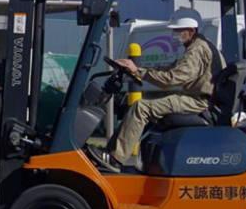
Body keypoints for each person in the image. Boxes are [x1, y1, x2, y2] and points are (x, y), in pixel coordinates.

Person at [89, 10, 225, 173]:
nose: (176, 34)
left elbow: (172, 79)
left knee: (141, 108)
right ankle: (111, 152)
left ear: (192, 30)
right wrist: (136, 69)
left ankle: (115, 158)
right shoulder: (198, 46)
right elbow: (170, 68)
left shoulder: (197, 50)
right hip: (198, 98)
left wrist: (140, 72)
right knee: (145, 105)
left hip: (200, 102)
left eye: (179, 30)